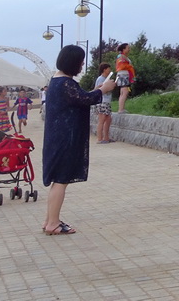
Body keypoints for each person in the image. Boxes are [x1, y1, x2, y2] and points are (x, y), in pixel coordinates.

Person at [42, 45, 115, 235]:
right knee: (61, 180)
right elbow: (84, 100)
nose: (82, 65)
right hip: (65, 139)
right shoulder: (65, 83)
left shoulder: (57, 81)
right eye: (81, 61)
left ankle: (50, 220)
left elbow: (79, 98)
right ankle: (53, 224)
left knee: (58, 181)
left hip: (57, 138)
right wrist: (103, 90)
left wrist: (97, 90)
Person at [93, 63, 113, 143]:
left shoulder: (106, 79)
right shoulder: (101, 79)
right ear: (104, 69)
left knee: (108, 119)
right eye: (108, 68)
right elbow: (99, 90)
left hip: (107, 101)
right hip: (102, 101)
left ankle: (106, 138)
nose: (110, 70)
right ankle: (99, 138)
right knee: (102, 119)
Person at [0, 85, 15, 149]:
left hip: (5, 115)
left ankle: (1, 141)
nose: (6, 92)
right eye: (4, 91)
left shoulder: (6, 98)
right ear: (0, 92)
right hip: (0, 115)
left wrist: (7, 110)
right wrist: (0, 111)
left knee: (4, 128)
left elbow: (8, 106)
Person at [114, 43, 135, 113]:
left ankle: (121, 108)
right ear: (123, 49)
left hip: (124, 75)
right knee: (125, 92)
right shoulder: (121, 57)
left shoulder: (124, 56)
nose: (129, 49)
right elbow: (122, 66)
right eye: (128, 48)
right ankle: (121, 109)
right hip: (123, 75)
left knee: (123, 92)